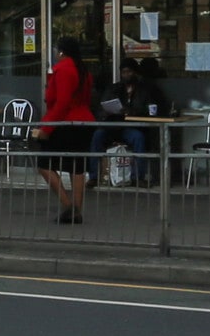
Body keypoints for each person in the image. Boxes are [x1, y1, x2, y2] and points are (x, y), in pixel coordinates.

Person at [35, 37, 97, 223]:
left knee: (45, 164)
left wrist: (46, 128)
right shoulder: (83, 71)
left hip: (66, 123)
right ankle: (77, 210)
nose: (55, 53)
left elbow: (61, 103)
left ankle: (69, 206)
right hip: (84, 122)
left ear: (61, 52)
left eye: (56, 50)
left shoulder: (62, 70)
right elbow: (86, 99)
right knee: (77, 167)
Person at [90, 57, 170, 185]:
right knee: (97, 136)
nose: (126, 75)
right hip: (112, 125)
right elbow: (102, 107)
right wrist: (107, 112)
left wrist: (131, 111)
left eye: (129, 72)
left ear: (135, 72)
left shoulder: (144, 90)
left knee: (138, 138)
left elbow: (149, 108)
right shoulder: (114, 88)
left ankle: (138, 177)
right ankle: (94, 177)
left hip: (130, 127)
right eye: (124, 72)